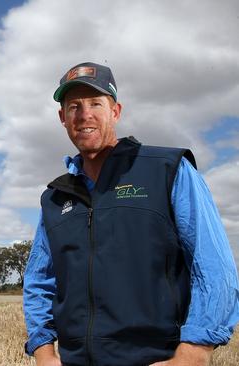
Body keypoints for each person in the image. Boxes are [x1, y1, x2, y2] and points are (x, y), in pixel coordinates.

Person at [22, 62, 239, 366]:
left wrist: (193, 353)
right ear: (62, 117)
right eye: (74, 106)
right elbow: (38, 280)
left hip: (155, 358)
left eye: (96, 103)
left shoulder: (167, 170)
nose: (85, 115)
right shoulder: (55, 198)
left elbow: (214, 267)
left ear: (116, 111)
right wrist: (44, 351)